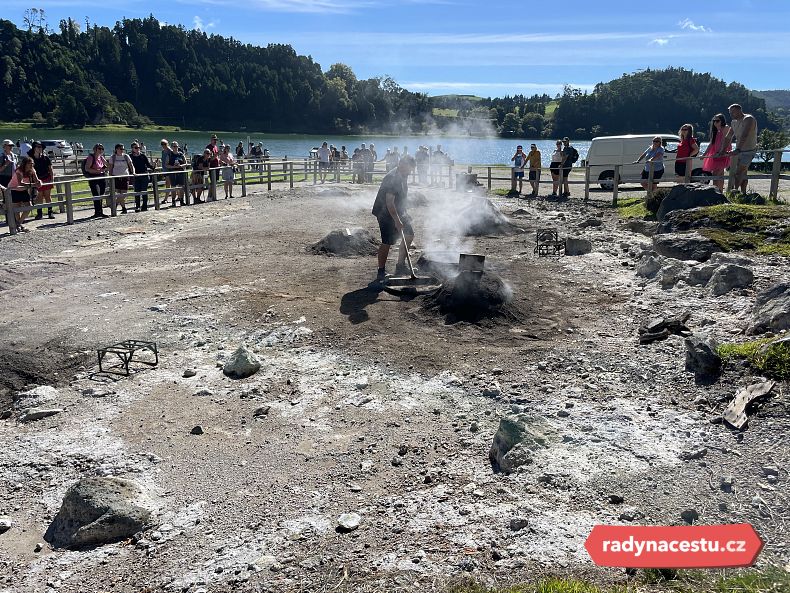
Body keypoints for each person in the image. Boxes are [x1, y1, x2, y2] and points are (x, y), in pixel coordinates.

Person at [371, 156, 417, 281]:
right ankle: (381, 271)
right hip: (384, 213)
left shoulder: (404, 174)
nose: (411, 171)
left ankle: (400, 266)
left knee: (409, 235)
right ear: (403, 165)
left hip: (399, 211)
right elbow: (389, 203)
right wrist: (397, 220)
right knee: (387, 242)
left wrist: (403, 212)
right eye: (410, 169)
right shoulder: (392, 178)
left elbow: (401, 195)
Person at [723, 103, 758, 194]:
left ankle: (733, 191)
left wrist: (737, 149)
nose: (731, 115)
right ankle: (743, 193)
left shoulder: (748, 119)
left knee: (740, 171)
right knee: (743, 173)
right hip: (739, 150)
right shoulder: (734, 122)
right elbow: (728, 137)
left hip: (749, 150)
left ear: (739, 110)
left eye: (732, 112)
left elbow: (744, 135)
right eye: (730, 113)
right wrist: (722, 150)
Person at [8, 156, 41, 232]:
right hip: (14, 189)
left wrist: (39, 182)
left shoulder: (32, 170)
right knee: (17, 208)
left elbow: (36, 180)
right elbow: (20, 183)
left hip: (24, 190)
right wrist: (33, 185)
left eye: (32, 164)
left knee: (29, 206)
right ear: (25, 164)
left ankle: (18, 223)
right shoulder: (19, 171)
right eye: (29, 164)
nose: (31, 165)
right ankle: (19, 225)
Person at [702, 113, 731, 192]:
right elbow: (711, 143)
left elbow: (726, 141)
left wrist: (721, 151)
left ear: (722, 121)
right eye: (714, 121)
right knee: (715, 173)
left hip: (723, 153)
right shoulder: (716, 131)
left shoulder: (726, 128)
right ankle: (715, 191)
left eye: (717, 121)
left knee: (720, 173)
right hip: (715, 154)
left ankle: (720, 192)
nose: (715, 123)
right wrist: (704, 154)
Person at [28, 141, 55, 220]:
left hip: (46, 178)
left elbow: (50, 169)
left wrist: (52, 179)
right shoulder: (31, 159)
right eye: (38, 147)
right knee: (39, 197)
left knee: (47, 196)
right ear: (34, 148)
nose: (40, 149)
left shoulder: (45, 158)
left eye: (41, 147)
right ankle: (39, 213)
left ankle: (50, 212)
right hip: (37, 180)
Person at [129, 142, 155, 211]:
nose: (138, 149)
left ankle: (144, 206)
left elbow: (148, 165)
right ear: (132, 149)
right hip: (136, 176)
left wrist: (153, 166)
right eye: (136, 148)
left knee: (144, 191)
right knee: (137, 192)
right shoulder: (130, 156)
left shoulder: (143, 156)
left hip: (144, 175)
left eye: (138, 147)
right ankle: (137, 206)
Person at [108, 144, 135, 214]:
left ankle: (115, 205)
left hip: (125, 177)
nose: (122, 150)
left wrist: (133, 172)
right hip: (116, 177)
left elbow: (131, 165)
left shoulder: (126, 156)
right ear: (116, 149)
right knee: (119, 194)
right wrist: (110, 177)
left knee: (123, 194)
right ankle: (124, 208)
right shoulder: (113, 157)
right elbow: (110, 168)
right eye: (120, 149)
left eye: (123, 149)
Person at [85, 144, 109, 218]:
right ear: (95, 149)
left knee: (101, 194)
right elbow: (87, 168)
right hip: (93, 177)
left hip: (101, 177)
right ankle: (97, 212)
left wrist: (105, 168)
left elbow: (108, 165)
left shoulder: (101, 157)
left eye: (102, 149)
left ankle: (100, 212)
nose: (101, 150)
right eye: (99, 149)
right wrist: (98, 171)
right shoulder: (91, 157)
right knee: (96, 194)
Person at [166, 141, 187, 206]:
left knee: (181, 186)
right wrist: (173, 166)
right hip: (173, 172)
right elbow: (166, 165)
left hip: (180, 172)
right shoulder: (169, 154)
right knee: (173, 187)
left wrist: (181, 166)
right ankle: (173, 201)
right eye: (174, 146)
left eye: (177, 146)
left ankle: (181, 200)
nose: (176, 148)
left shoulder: (181, 154)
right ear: (172, 147)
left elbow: (186, 163)